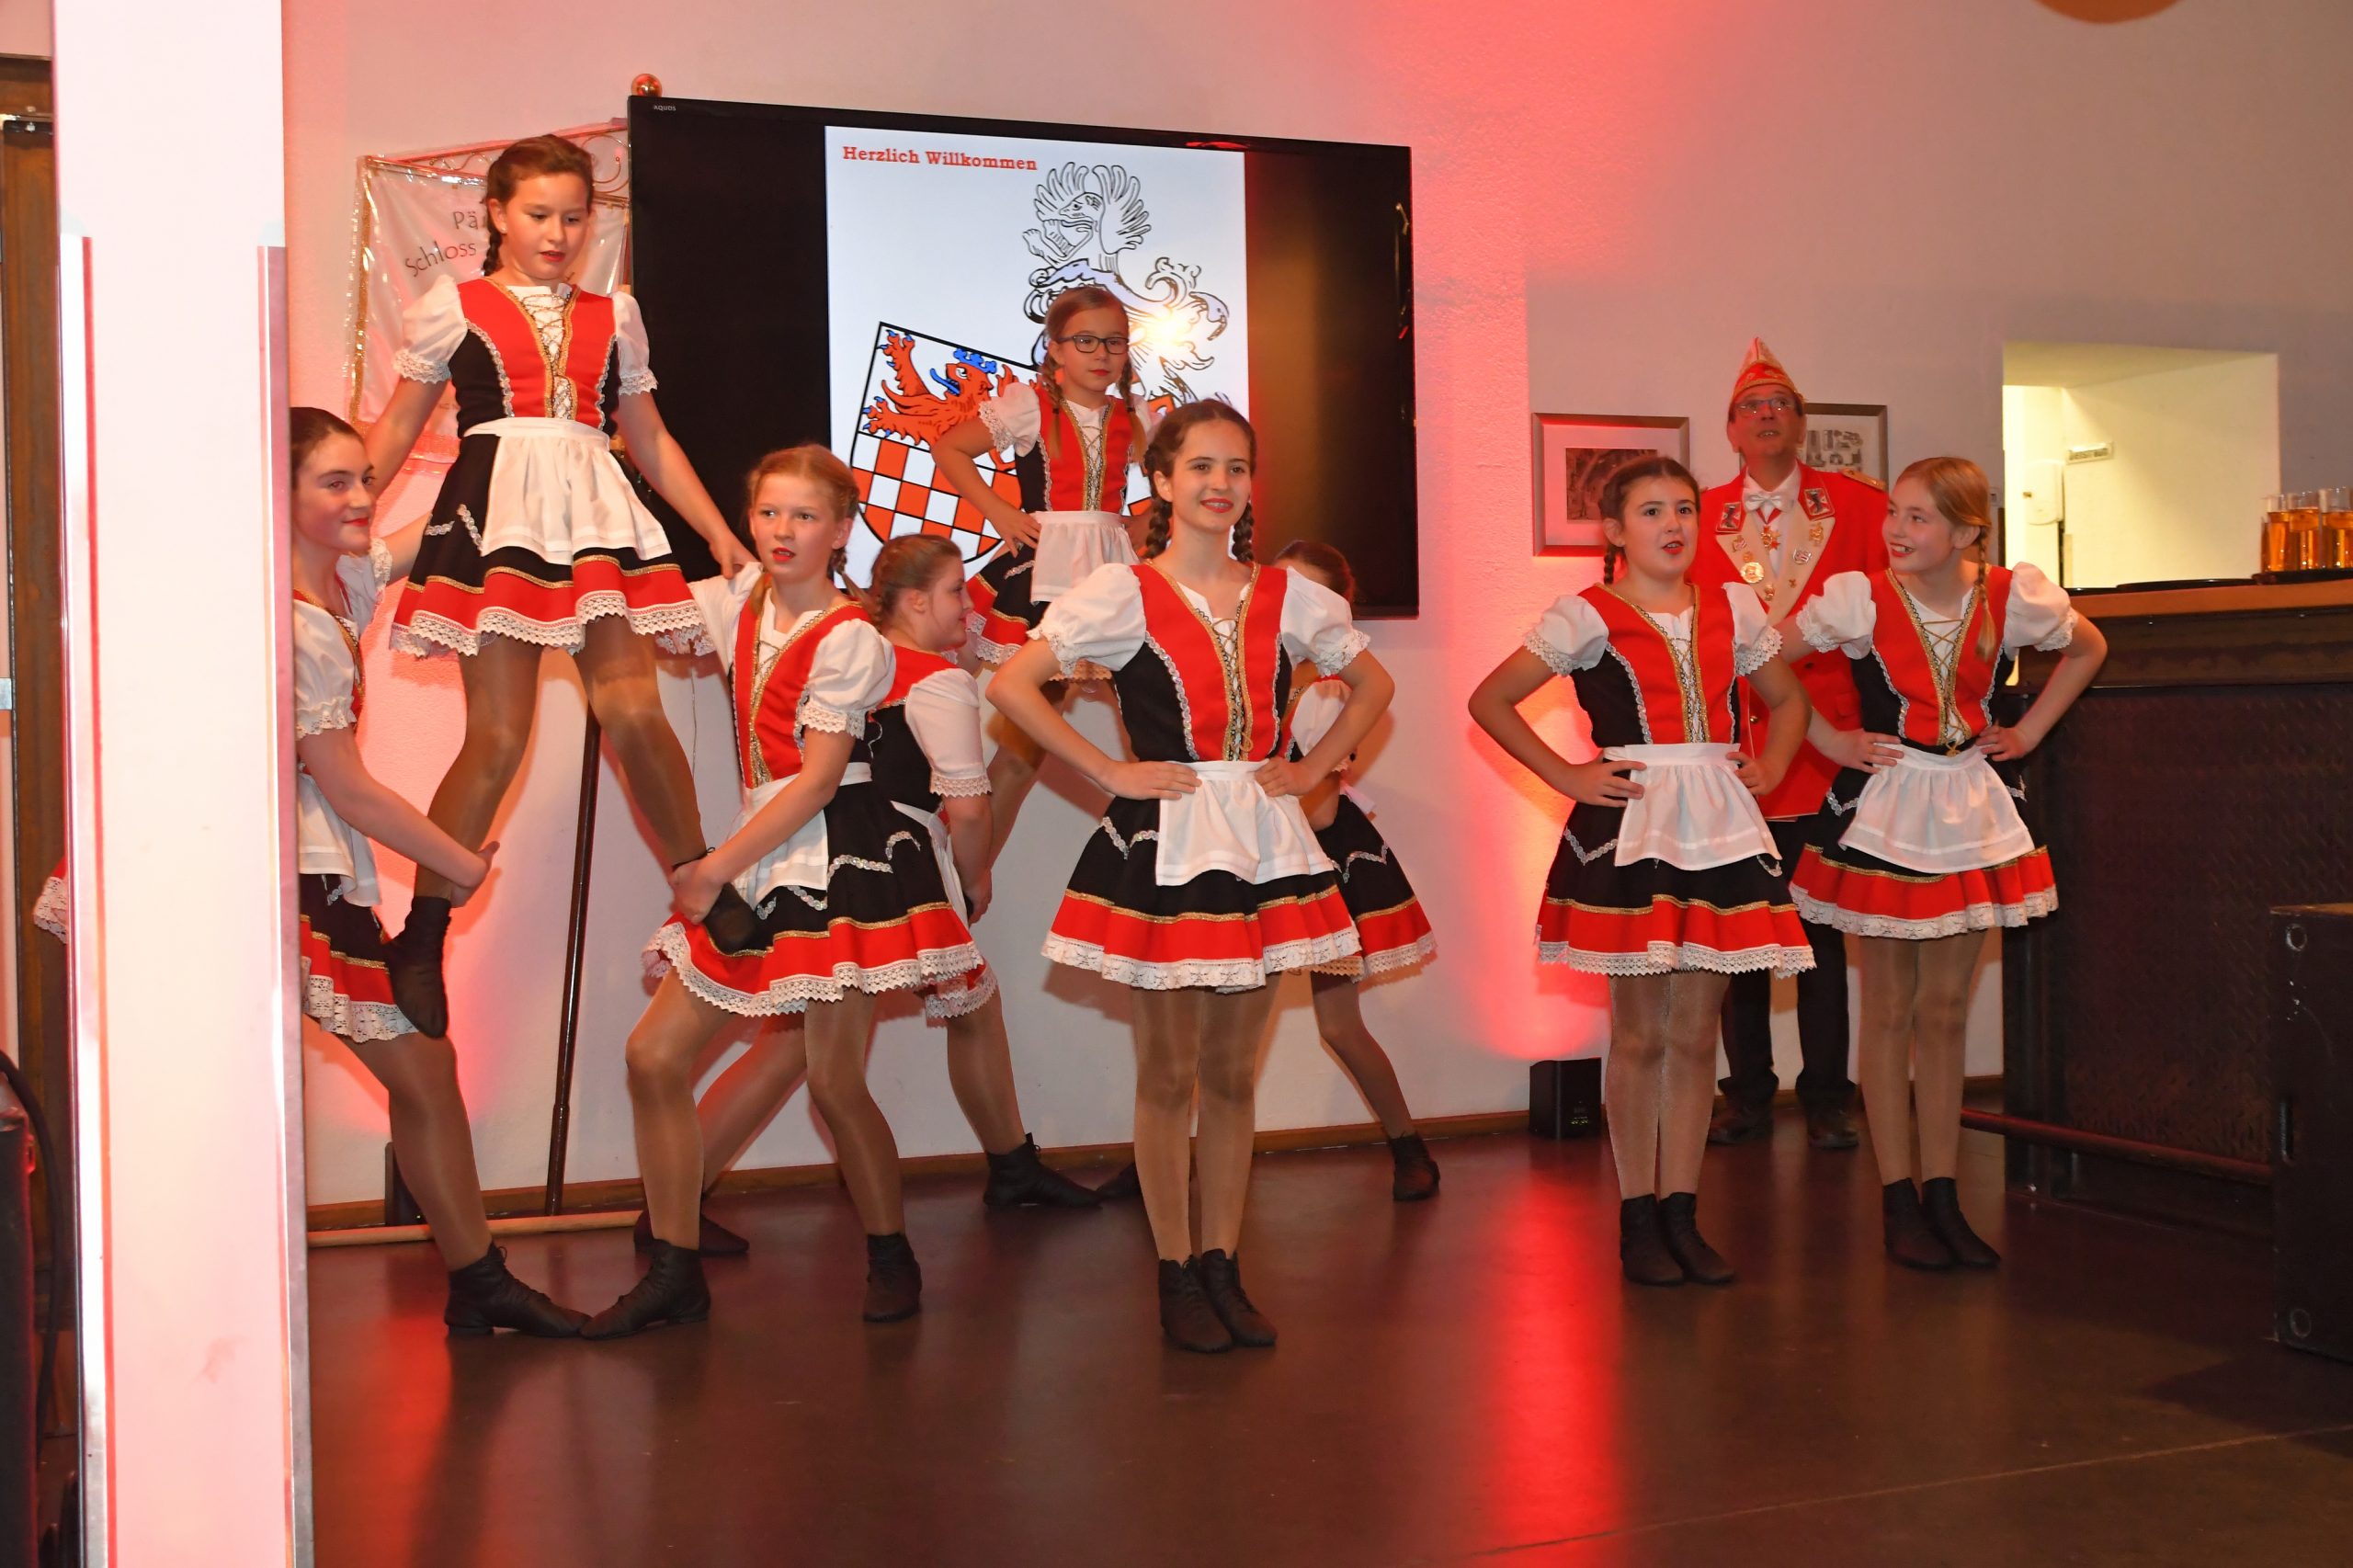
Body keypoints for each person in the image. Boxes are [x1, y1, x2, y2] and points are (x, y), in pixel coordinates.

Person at [987, 403, 1393, 1352]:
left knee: (1233, 1074)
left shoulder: (1287, 596)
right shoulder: (1121, 591)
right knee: (1169, 1074)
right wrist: (1110, 770)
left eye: (1236, 467)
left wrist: (1313, 767)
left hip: (1256, 837)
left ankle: (1224, 1263)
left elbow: (1375, 686)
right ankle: (1173, 1267)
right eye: (1201, 466)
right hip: (1167, 841)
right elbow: (1012, 683)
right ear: (1163, 482)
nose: (1221, 483)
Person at [583, 446, 988, 1337]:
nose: (783, 530)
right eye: (769, 512)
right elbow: (622, 605)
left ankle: (891, 1253)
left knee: (835, 1082)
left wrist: (710, 867)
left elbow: (817, 781)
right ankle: (675, 1267)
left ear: (840, 531)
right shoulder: (735, 599)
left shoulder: (850, 637)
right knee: (653, 1057)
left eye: (805, 515)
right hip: (760, 845)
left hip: (837, 854)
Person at [364, 134, 756, 1040]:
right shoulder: (453, 306)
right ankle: (423, 931)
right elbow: (393, 431)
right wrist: (338, 517)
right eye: (538, 214)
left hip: (595, 520)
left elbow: (648, 436)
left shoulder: (614, 315)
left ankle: (699, 882)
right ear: (497, 214)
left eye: (574, 216)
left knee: (634, 709)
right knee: (498, 736)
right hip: (500, 516)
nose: (557, 233)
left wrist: (716, 531)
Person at [1469, 456, 1813, 1286]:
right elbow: (1490, 699)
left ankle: (1681, 1213)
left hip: (1718, 823)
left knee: (1696, 1033)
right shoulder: (1587, 615)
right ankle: (1637, 1217)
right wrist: (1568, 774)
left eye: (1685, 509)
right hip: (1635, 824)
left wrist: (1771, 762)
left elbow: (1790, 700)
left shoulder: (1732, 606)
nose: (1673, 524)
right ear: (1616, 531)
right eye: (1652, 511)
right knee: (1641, 1032)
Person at [286, 406, 584, 1335]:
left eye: (364, 480)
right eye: (335, 482)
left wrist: (517, 449)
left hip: (303, 869)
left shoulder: (338, 584)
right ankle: (476, 1277)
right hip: (274, 873)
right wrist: (456, 862)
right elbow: (349, 787)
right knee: (413, 1069)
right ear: (277, 492)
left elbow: (432, 531)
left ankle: (476, 1277)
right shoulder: (296, 624)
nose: (360, 498)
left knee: (424, 1069)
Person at [1790, 457, 2106, 1269]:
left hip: (1968, 805)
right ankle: (1897, 1199)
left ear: (1967, 532)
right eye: (1894, 512)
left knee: (1944, 1012)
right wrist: (1830, 742)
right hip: (1886, 808)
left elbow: (2089, 647)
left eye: (1918, 517)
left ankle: (1943, 1195)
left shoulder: (2007, 595)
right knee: (1888, 1009)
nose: (1896, 530)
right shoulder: (1860, 599)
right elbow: (1762, 658)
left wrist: (2028, 732)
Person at [1689, 338, 1888, 1151]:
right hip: (1735, 743)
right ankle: (1746, 1092)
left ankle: (1830, 1094)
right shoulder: (1697, 514)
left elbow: (1887, 615)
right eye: (1752, 407)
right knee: (1739, 927)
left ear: (1802, 423)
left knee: (1821, 929)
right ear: (1730, 429)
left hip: (1827, 744)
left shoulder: (1862, 507)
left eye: (1780, 404)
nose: (1767, 416)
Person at [929, 286, 1154, 858]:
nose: (1101, 353)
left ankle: (1158, 854)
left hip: (1116, 576)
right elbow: (950, 449)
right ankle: (962, 870)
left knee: (1150, 726)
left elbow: (1177, 480)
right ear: (1054, 348)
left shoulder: (1136, 418)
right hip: (1047, 572)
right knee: (1021, 748)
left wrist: (1144, 524)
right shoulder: (1030, 406)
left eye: (1114, 342)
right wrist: (1000, 512)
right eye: (1085, 341)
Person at [1271, 540, 1441, 1201]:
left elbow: (1318, 810)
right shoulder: (1243, 669)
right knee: (1213, 1019)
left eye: (1304, 594)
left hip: (1313, 861)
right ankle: (1163, 1155)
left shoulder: (1329, 691)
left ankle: (1408, 1145)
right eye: (1279, 587)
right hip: (1241, 852)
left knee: (1339, 1025)